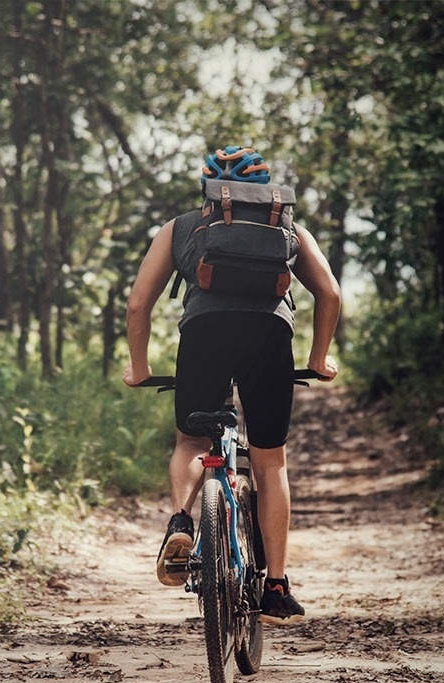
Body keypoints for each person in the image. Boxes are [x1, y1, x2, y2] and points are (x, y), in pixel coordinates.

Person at [122, 144, 341, 625]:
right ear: (264, 189)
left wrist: (138, 368)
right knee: (269, 460)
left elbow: (139, 304)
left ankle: (181, 518)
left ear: (208, 189)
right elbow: (329, 292)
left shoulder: (180, 228)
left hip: (205, 336)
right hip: (269, 339)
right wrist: (318, 359)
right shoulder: (287, 228)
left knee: (191, 441)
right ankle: (278, 588)